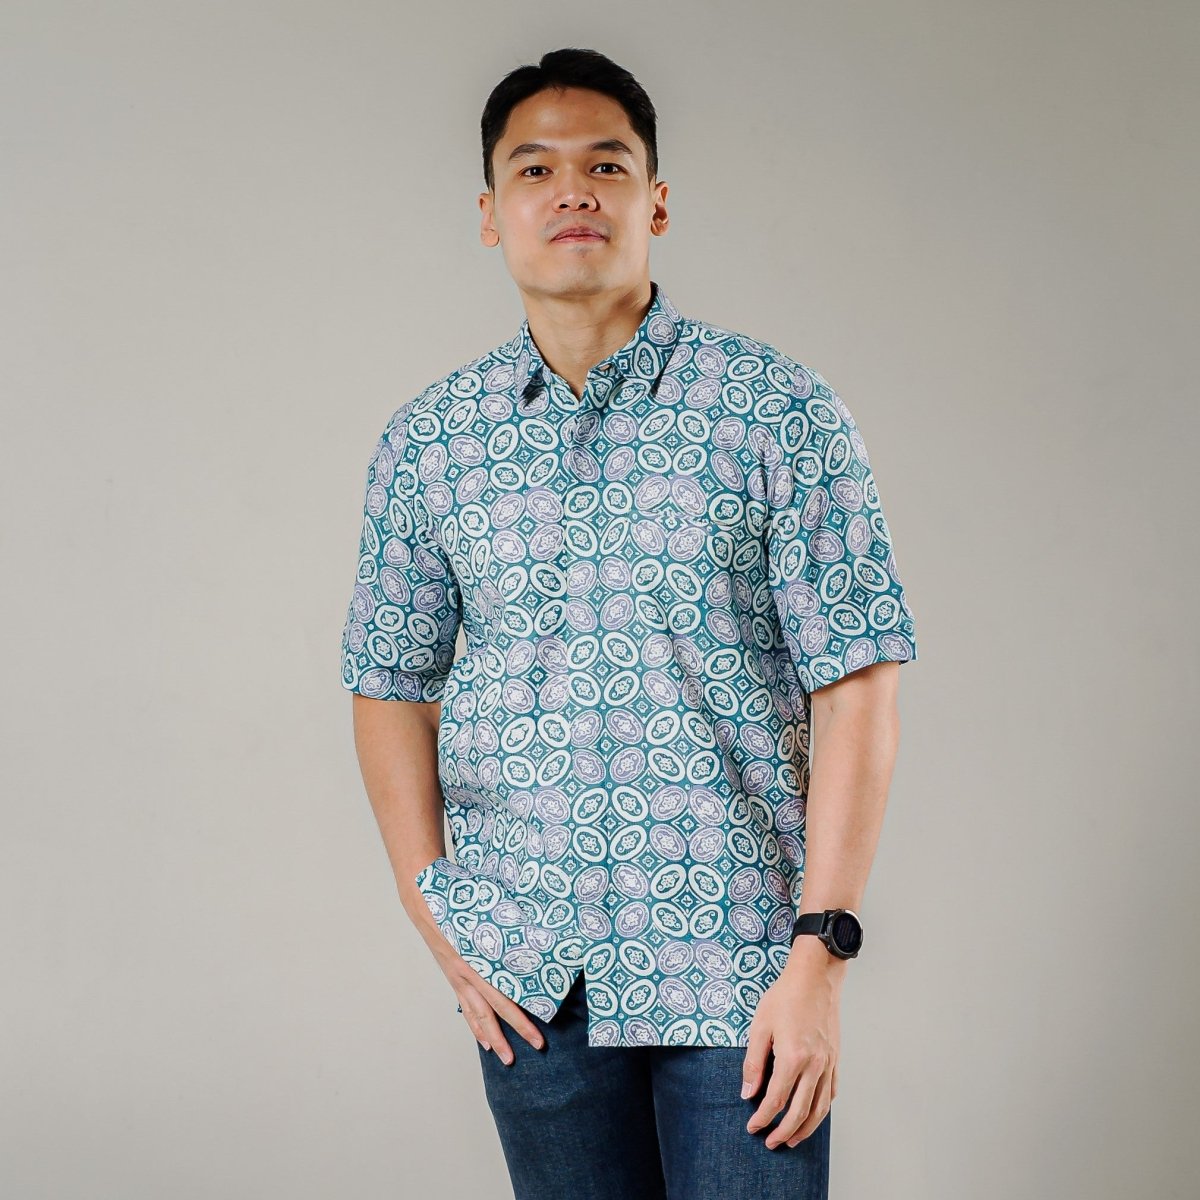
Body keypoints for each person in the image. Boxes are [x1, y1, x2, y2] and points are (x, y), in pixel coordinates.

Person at [340, 46, 918, 1200]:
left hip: (745, 968)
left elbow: (856, 682)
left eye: (606, 164)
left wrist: (822, 955)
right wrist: (437, 914)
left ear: (654, 201)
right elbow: (387, 681)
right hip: (531, 977)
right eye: (535, 168)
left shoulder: (777, 413)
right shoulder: (430, 443)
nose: (573, 191)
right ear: (490, 213)